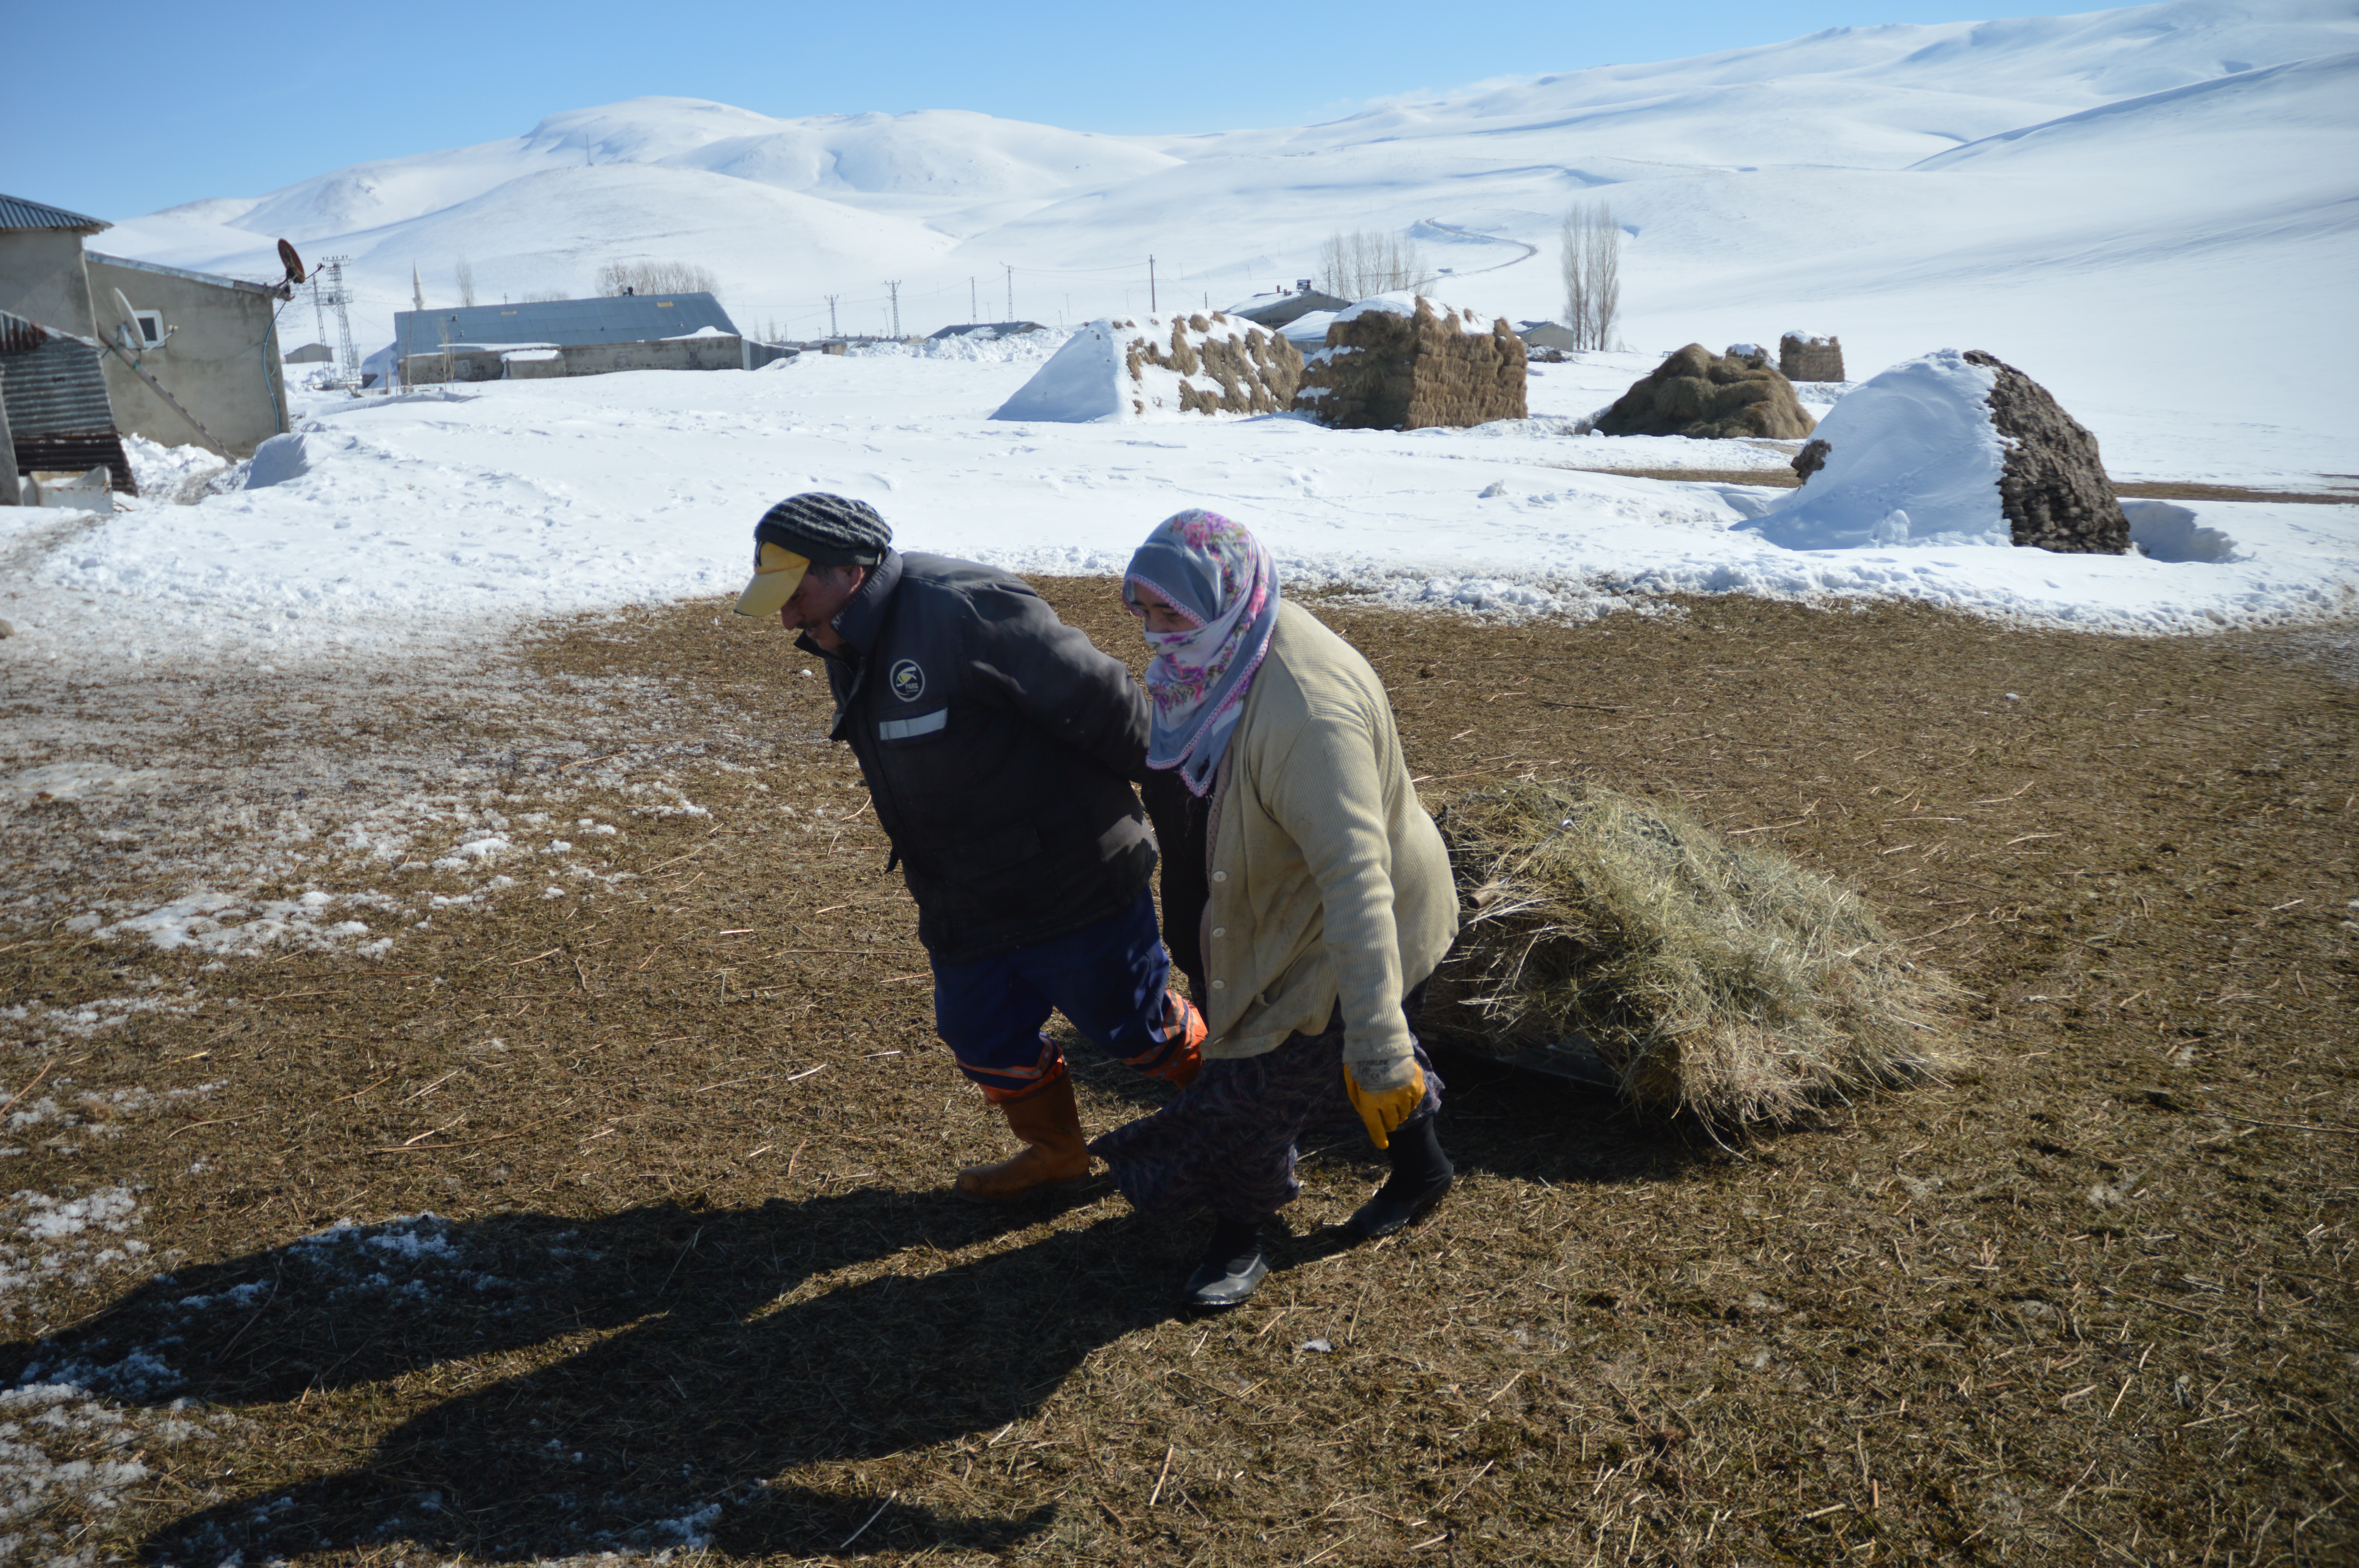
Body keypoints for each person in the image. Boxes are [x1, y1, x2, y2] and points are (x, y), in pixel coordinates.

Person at [731, 493, 1206, 1201]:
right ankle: (1058, 1153)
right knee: (979, 1033)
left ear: (851, 571)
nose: (790, 618)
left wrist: (1192, 831)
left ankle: (1239, 1115)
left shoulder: (968, 610)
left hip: (1073, 880)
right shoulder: (847, 636)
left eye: (798, 595)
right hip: (963, 894)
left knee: (1135, 1027)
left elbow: (1123, 717)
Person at [1088, 509, 1459, 1308]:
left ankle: (1237, 1234)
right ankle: (1423, 1164)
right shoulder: (1216, 661)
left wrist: (1381, 1038)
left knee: (1250, 1093)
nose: (1154, 636)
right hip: (1256, 908)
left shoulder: (1304, 713)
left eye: (1171, 614)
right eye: (1142, 613)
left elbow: (1357, 883)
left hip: (1337, 926)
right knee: (1319, 1067)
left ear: (1227, 601)